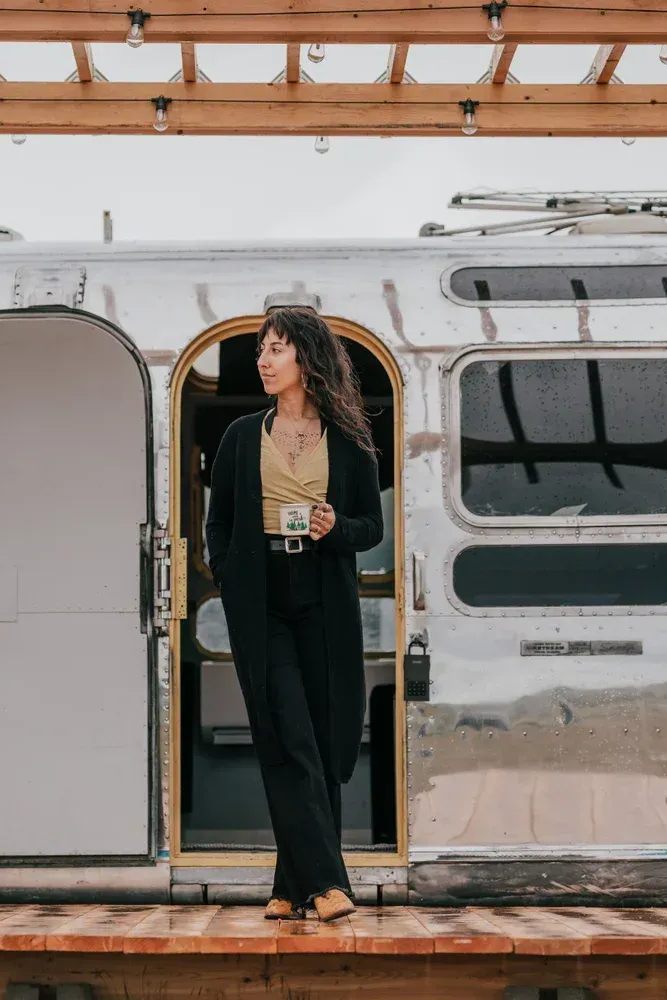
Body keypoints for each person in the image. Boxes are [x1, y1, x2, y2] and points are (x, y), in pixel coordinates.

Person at [205, 307, 383, 922]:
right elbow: (218, 524)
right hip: (261, 599)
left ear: (306, 359)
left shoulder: (351, 440)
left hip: (323, 594)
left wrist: (337, 529)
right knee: (289, 734)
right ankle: (331, 886)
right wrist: (229, 577)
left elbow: (371, 526)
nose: (263, 361)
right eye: (261, 350)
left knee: (326, 736)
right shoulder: (238, 437)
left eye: (275, 349)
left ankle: (289, 884)